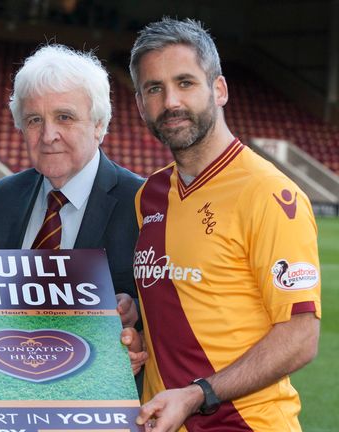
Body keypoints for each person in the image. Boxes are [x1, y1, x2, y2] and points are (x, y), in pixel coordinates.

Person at [129, 18, 321, 431]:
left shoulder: (268, 193)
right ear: (141, 104)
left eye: (185, 82)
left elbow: (301, 336)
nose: (170, 102)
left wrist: (199, 393)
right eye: (154, 88)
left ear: (219, 90)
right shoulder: (149, 195)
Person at [0, 44, 144, 331]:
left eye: (64, 117)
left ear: (99, 125)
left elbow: (168, 306)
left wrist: (136, 311)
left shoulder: (141, 202)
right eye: (34, 120)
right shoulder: (3, 196)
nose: (48, 136)